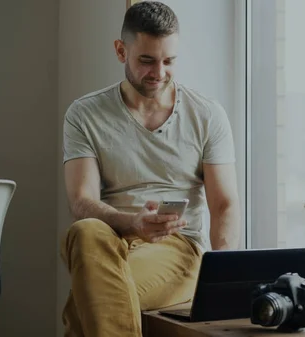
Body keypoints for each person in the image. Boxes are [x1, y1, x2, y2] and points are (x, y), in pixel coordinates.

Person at [59, 2, 241, 336]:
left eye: (169, 61)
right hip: (106, 240)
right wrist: (133, 224)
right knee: (84, 231)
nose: (159, 72)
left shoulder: (207, 115)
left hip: (177, 246)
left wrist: (222, 277)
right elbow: (81, 202)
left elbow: (224, 203)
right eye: (146, 60)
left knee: (84, 303)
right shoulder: (84, 114)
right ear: (120, 50)